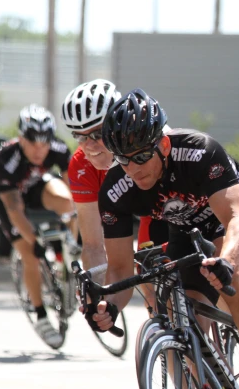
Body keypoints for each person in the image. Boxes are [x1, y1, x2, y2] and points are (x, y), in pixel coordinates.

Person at [88, 88, 239, 389]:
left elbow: (235, 219)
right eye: (123, 159)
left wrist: (226, 262)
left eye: (142, 156)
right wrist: (109, 306)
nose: (133, 168)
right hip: (186, 227)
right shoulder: (116, 190)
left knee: (229, 276)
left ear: (164, 145)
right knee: (186, 318)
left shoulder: (198, 150)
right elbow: (119, 269)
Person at [60, 79, 170, 282]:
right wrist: (99, 297)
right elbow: (93, 245)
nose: (89, 145)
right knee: (148, 281)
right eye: (80, 137)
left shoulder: (146, 143)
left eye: (97, 133)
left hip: (168, 205)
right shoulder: (80, 166)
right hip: (132, 212)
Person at [0, 104, 74, 346]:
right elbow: (15, 210)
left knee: (68, 200)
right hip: (6, 198)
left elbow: (76, 191)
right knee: (30, 253)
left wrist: (78, 236)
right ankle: (41, 315)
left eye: (44, 143)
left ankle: (64, 257)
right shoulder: (7, 161)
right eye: (33, 142)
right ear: (21, 138)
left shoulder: (57, 148)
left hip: (34, 185)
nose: (39, 149)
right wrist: (34, 242)